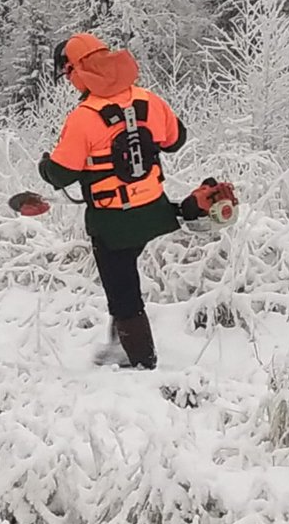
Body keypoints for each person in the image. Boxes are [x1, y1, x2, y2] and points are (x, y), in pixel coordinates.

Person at [37, 33, 219, 370]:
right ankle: (118, 342)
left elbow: (62, 174)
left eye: (68, 74)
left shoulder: (84, 116)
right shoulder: (147, 99)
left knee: (122, 290)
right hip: (154, 210)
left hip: (113, 219)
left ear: (77, 69)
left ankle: (140, 361)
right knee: (123, 280)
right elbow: (176, 139)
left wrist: (45, 165)